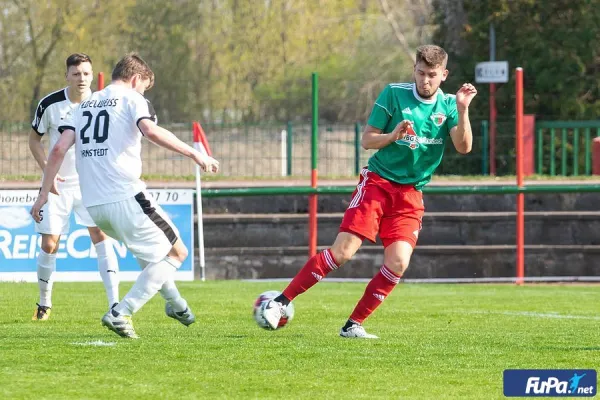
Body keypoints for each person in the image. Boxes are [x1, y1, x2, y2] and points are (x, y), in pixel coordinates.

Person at [259, 44, 477, 339]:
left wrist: (463, 111)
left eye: (432, 75)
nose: (425, 81)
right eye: (421, 73)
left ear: (444, 75)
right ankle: (279, 303)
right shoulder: (394, 94)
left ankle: (352, 325)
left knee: (399, 262)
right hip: (377, 183)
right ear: (413, 70)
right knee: (343, 252)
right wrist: (393, 135)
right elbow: (367, 141)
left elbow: (464, 148)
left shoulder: (451, 105)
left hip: (411, 194)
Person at [30, 53, 219, 338]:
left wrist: (43, 193)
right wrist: (194, 152)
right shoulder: (132, 98)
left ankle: (175, 304)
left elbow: (57, 150)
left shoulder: (85, 105)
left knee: (152, 254)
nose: (143, 93)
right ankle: (122, 311)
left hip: (94, 205)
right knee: (177, 252)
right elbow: (150, 131)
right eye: (144, 86)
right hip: (125, 196)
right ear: (134, 79)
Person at [29, 53, 120, 320]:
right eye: (76, 73)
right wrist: (48, 172)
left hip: (91, 184)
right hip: (58, 185)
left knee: (101, 238)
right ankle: (44, 304)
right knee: (49, 245)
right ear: (67, 75)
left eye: (86, 73)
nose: (82, 79)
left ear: (93, 75)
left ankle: (115, 305)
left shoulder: (103, 103)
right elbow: (34, 141)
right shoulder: (50, 104)